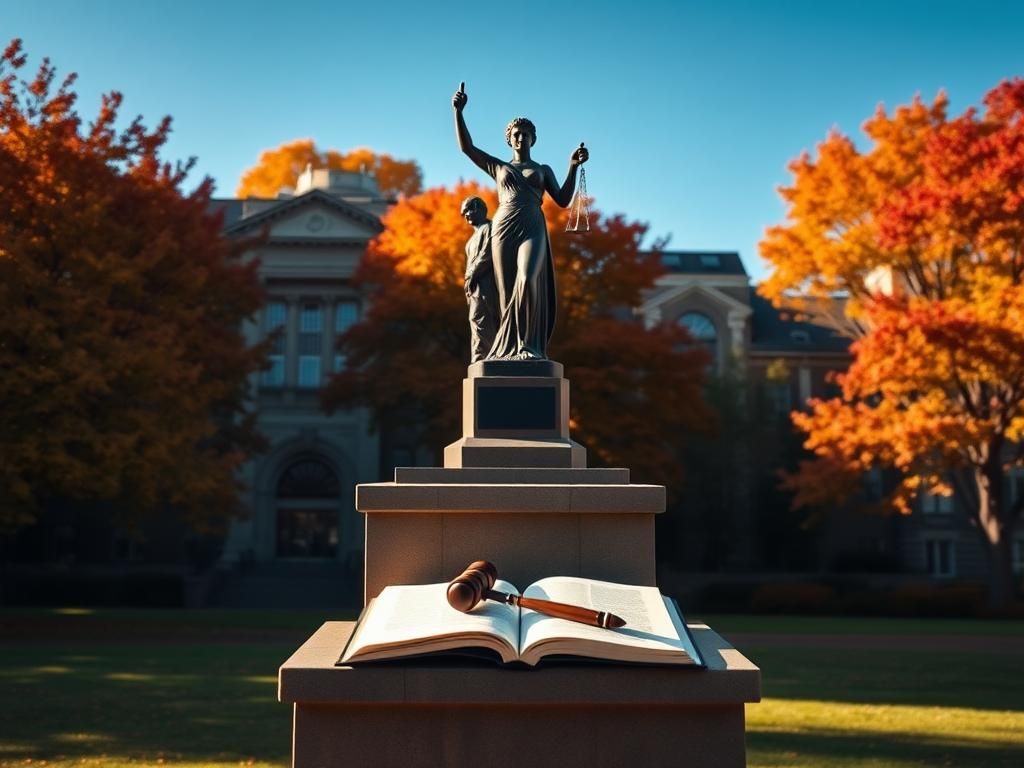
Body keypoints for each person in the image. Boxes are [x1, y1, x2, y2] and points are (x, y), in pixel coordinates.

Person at [452, 82, 588, 360]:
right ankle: (508, 349)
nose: (521, 138)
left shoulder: (542, 169)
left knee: (527, 280)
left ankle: (528, 344)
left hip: (532, 225)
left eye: (526, 134)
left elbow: (562, 199)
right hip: (503, 228)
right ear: (509, 139)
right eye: (516, 134)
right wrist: (458, 111)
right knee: (506, 289)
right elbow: (467, 148)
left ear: (533, 139)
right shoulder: (499, 167)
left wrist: (573, 167)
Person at [461, 196, 498, 363]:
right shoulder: (470, 240)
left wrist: (473, 273)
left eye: (468, 210)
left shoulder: (490, 229)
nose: (466, 215)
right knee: (475, 321)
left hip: (487, 285)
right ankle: (478, 359)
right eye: (464, 213)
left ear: (479, 209)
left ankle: (487, 358)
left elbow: (488, 254)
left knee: (484, 319)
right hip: (473, 288)